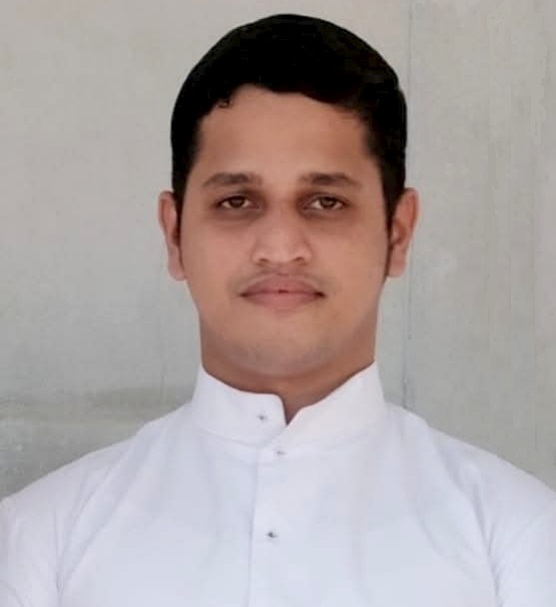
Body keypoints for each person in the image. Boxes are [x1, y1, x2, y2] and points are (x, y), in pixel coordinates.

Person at [1, 13, 554, 606]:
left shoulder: (519, 537)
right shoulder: (40, 540)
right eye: (237, 201)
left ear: (397, 233)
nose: (281, 247)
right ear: (175, 234)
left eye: (325, 202)